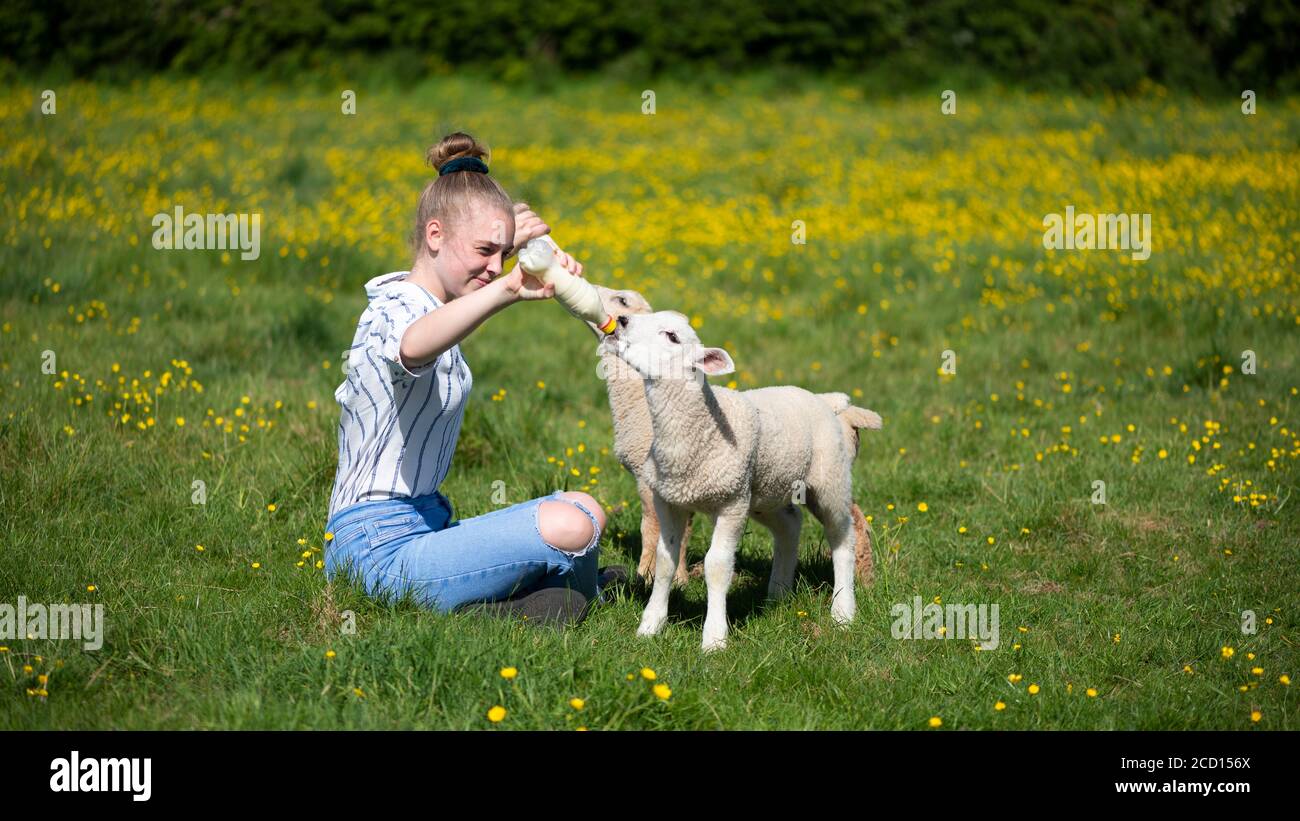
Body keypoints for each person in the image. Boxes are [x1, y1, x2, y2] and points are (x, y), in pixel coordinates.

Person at [323, 131, 623, 627]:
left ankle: (530, 604)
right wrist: (507, 287)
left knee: (583, 506)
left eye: (501, 256)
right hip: (372, 548)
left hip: (428, 524)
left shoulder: (439, 302)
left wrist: (524, 243)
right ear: (434, 235)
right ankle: (526, 605)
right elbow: (413, 345)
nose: (493, 267)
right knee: (570, 525)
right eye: (484, 250)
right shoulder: (394, 308)